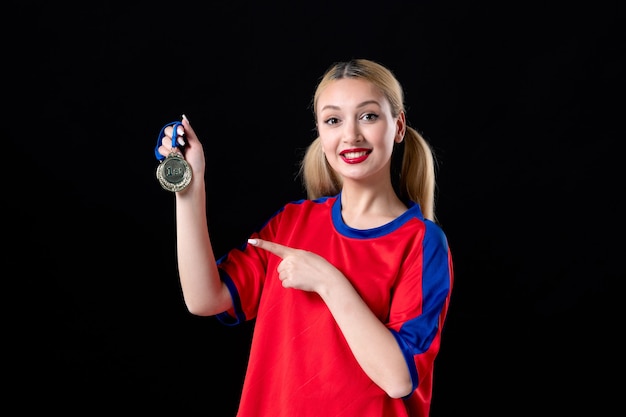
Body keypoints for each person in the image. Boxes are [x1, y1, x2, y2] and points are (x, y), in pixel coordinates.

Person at [155, 58, 454, 417]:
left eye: (369, 116)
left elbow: (399, 379)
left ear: (399, 126)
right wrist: (190, 185)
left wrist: (329, 282)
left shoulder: (422, 242)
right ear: (319, 131)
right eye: (333, 120)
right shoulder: (292, 223)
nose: (351, 135)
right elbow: (204, 298)